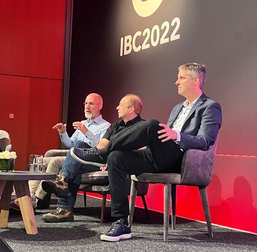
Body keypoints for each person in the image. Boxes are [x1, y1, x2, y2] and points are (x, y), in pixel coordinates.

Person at [70, 63, 222, 241]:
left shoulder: (210, 106)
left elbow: (205, 142)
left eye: (181, 78)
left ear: (195, 80)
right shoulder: (177, 108)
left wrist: (177, 135)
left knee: (151, 125)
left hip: (183, 159)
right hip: (159, 155)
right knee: (116, 158)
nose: (176, 82)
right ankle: (121, 223)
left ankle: (101, 152)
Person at [38, 93, 111, 222]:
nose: (87, 107)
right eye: (85, 103)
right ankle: (64, 210)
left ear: (100, 106)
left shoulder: (106, 126)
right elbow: (70, 144)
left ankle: (42, 198)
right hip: (79, 161)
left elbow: (101, 149)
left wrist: (86, 132)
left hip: (94, 162)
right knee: (67, 164)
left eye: (91, 104)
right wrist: (63, 133)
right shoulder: (82, 123)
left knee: (78, 147)